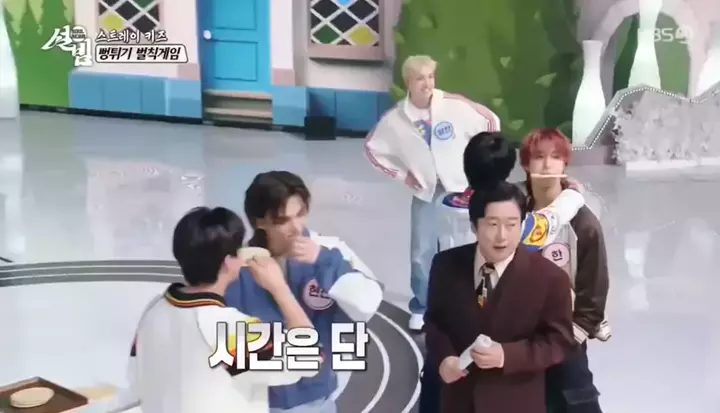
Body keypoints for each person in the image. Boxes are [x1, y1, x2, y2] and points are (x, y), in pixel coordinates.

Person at [419, 131, 586, 413]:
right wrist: (573, 193)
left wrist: (505, 356)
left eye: (510, 225)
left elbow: (556, 341)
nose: (502, 236)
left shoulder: (445, 206)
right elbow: (555, 217)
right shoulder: (528, 224)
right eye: (493, 225)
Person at [126, 207, 320, 413]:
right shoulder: (226, 328)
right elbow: (308, 358)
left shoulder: (154, 311)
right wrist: (280, 289)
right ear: (229, 262)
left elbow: (136, 376)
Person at [225, 171, 382, 413]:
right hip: (261, 402)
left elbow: (367, 305)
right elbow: (230, 348)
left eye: (300, 214)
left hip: (318, 398)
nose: (296, 228)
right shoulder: (239, 268)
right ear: (260, 222)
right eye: (282, 220)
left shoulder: (330, 251)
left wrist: (323, 261)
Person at [365, 55, 501, 331]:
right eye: (420, 79)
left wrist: (480, 163)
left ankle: (467, 302)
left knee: (466, 245)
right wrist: (403, 175)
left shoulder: (453, 105)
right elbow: (373, 149)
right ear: (408, 83)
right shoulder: (395, 120)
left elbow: (490, 121)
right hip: (426, 191)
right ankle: (422, 306)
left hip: (461, 188)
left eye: (430, 77)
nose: (427, 84)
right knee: (422, 250)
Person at [518, 128, 609, 413]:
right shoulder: (511, 214)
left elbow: (594, 288)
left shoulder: (584, 225)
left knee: (576, 402)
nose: (547, 165)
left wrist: (574, 336)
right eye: (539, 156)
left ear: (565, 163)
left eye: (555, 157)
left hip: (565, 337)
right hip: (519, 337)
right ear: (525, 164)